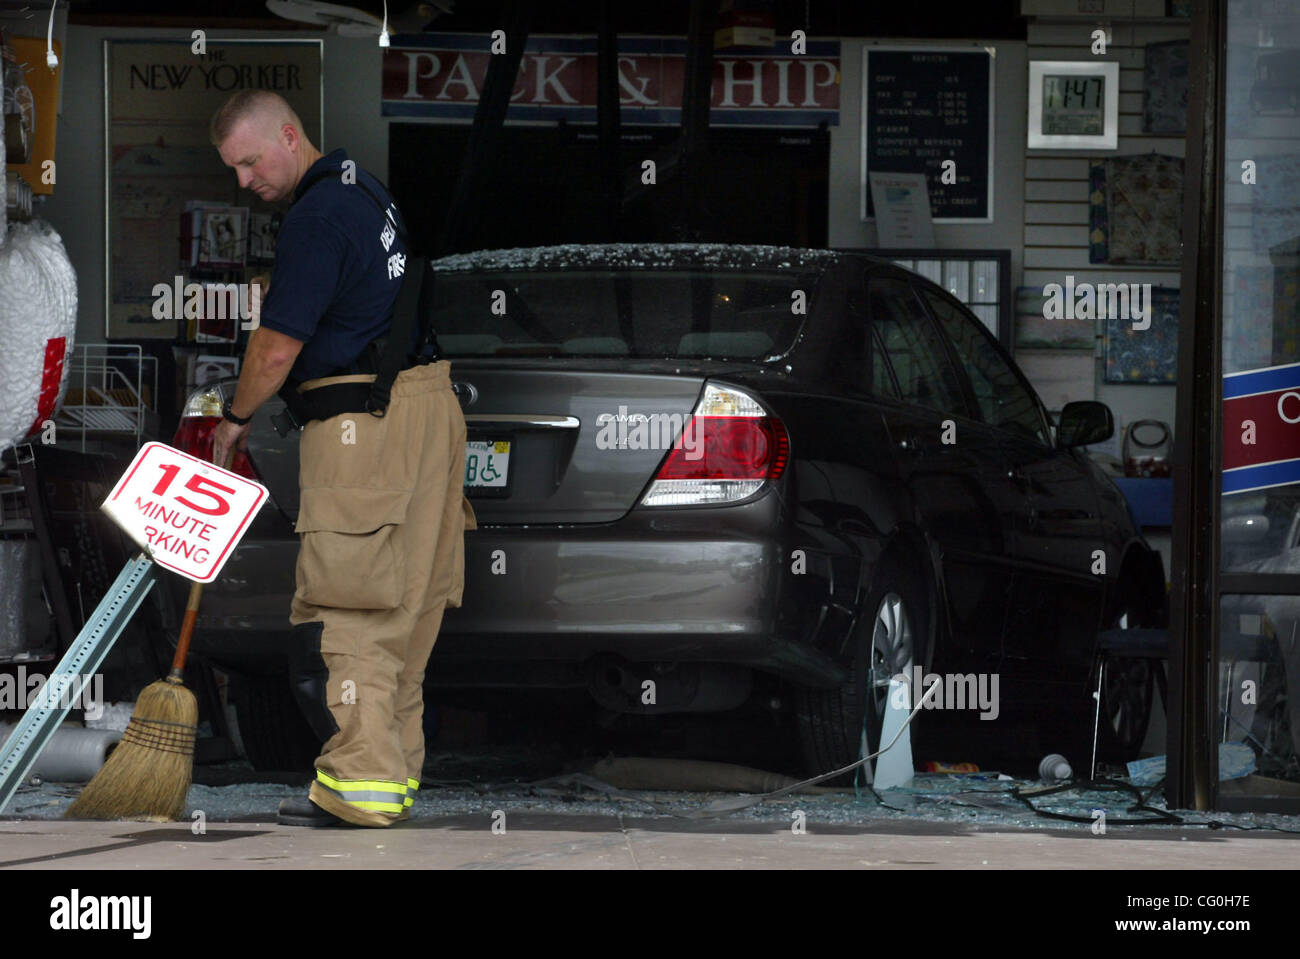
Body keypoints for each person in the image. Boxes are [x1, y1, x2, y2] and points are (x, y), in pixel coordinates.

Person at [208, 89, 475, 828]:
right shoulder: (365, 193)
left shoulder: (316, 218)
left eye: (250, 162)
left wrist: (234, 420)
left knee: (351, 608)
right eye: (233, 169)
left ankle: (360, 786)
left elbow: (277, 346)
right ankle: (390, 779)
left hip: (367, 426)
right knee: (409, 606)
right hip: (427, 410)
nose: (244, 182)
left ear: (289, 135)